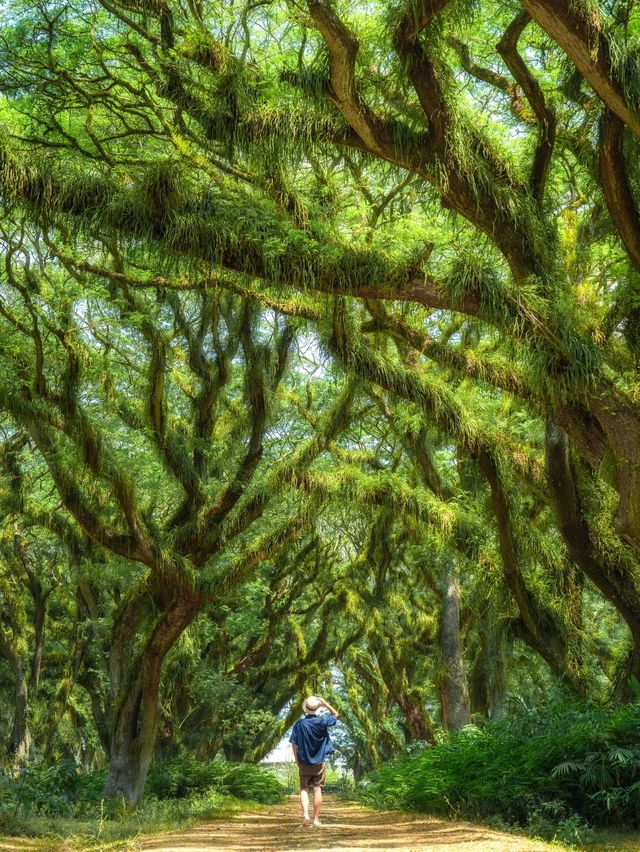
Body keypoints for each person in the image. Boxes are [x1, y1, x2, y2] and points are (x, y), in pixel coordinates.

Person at [289, 694, 339, 827]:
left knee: (304, 789)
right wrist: (325, 703)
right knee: (317, 789)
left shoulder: (299, 724)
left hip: (304, 762)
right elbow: (336, 715)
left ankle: (306, 816)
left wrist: (297, 761)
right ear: (317, 708)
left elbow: (294, 745)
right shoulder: (322, 722)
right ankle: (316, 819)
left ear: (306, 708)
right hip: (319, 763)